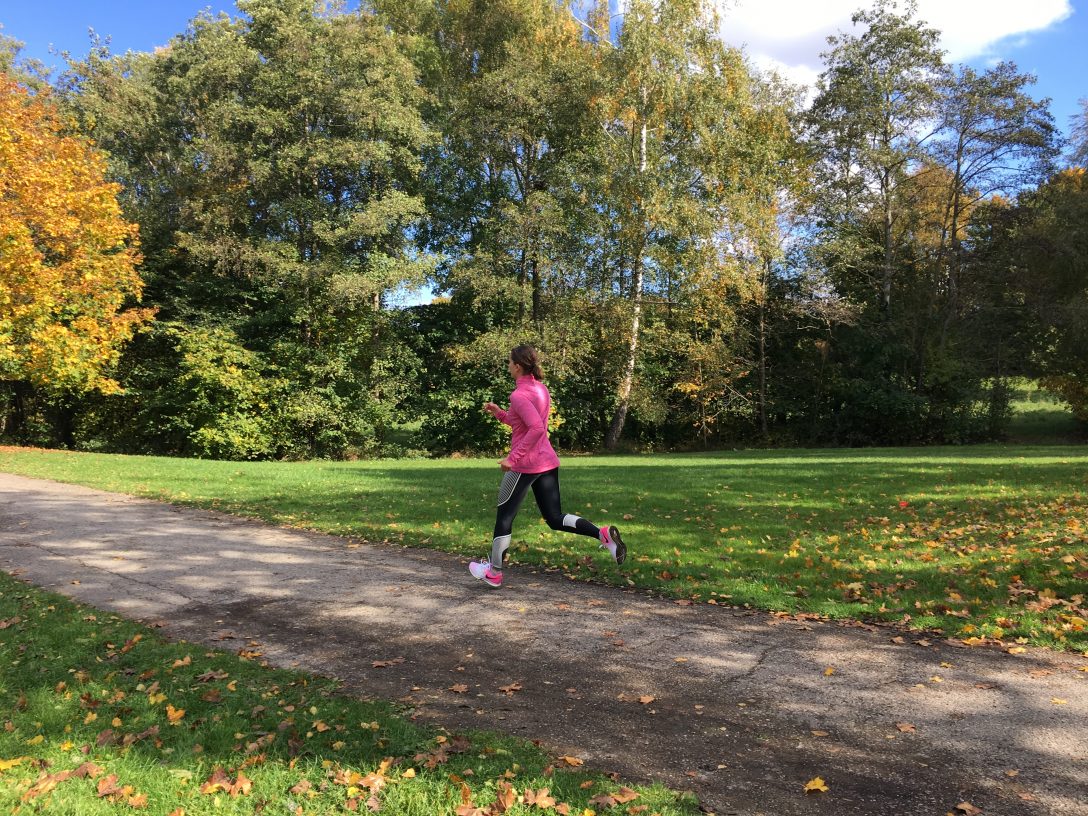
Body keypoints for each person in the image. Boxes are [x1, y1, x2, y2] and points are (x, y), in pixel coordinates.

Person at [469, 344, 626, 588]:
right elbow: (520, 422)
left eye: (509, 362)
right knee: (554, 517)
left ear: (518, 366)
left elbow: (536, 429)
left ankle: (494, 572)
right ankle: (602, 534)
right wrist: (499, 413)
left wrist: (513, 458)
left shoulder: (519, 394)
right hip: (546, 462)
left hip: (524, 466)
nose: (508, 366)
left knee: (504, 516)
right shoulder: (539, 389)